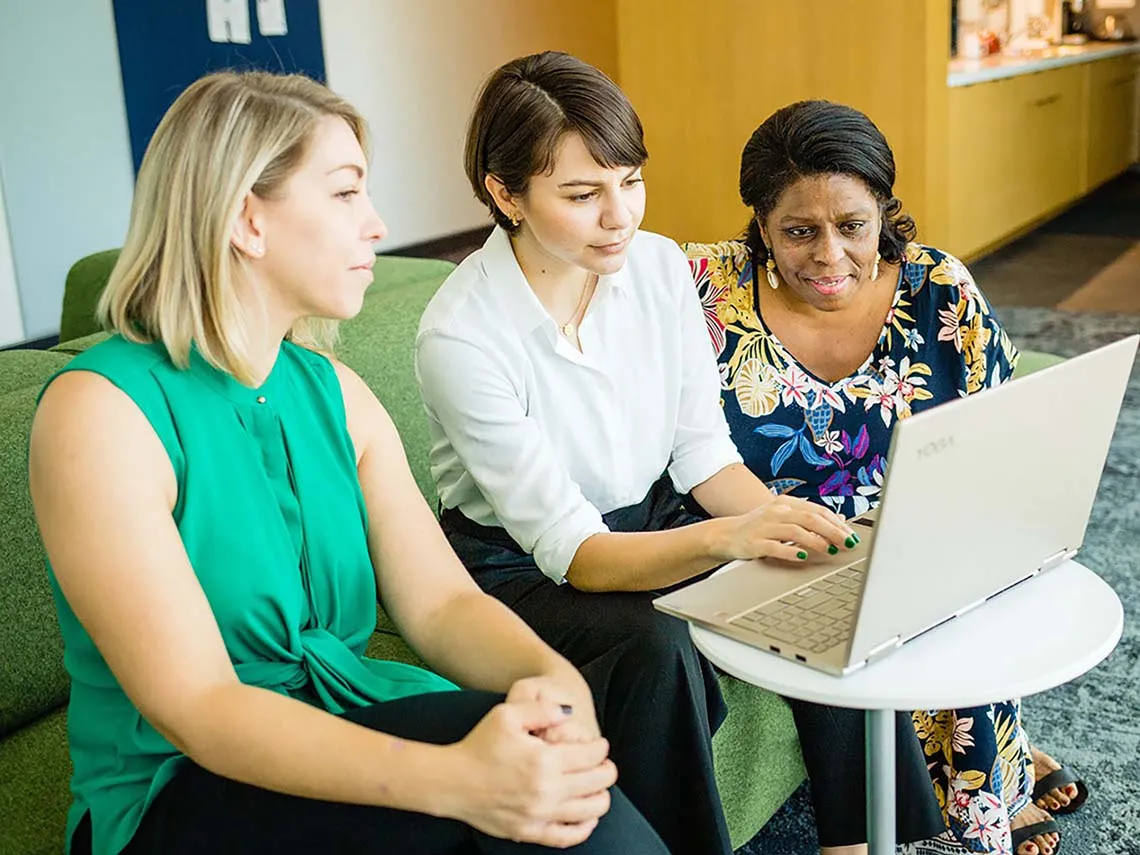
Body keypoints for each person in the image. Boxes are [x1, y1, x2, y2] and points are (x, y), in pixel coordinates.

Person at [29, 70, 670, 855]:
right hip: (180, 784)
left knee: (546, 770)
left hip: (346, 714)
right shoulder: (98, 413)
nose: (377, 225)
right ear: (246, 220)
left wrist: (554, 685)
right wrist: (463, 779)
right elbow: (199, 706)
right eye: (345, 194)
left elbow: (440, 606)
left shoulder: (338, 392)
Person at [413, 51, 895, 855]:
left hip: (655, 515)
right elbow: (577, 552)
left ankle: (858, 842)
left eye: (630, 181)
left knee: (821, 576)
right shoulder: (462, 335)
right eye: (581, 194)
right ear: (506, 195)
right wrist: (729, 540)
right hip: (521, 567)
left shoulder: (660, 267)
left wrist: (792, 527)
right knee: (657, 646)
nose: (619, 216)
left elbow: (702, 454)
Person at [683, 100, 1083, 855]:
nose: (829, 255)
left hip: (917, 527)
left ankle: (993, 773)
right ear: (761, 223)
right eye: (799, 230)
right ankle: (995, 779)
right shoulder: (704, 288)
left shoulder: (938, 287)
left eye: (853, 226)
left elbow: (1005, 434)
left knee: (965, 578)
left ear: (883, 214)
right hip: (781, 541)